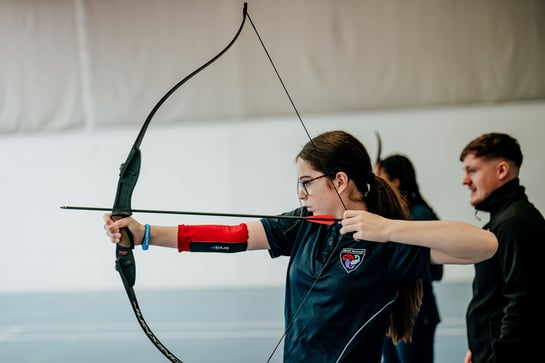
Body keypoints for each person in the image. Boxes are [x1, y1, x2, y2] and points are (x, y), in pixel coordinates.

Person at [104, 130, 497, 363]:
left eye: (307, 182)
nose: (301, 192)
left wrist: (389, 228)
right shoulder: (303, 224)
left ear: (339, 181)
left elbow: (483, 244)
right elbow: (235, 236)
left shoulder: (386, 242)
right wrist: (145, 234)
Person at [459, 132, 545, 363]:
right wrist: (479, 349)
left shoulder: (513, 223)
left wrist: (496, 356)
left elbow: (522, 302)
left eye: (472, 170)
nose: (464, 180)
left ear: (502, 170)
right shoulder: (505, 220)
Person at [375, 154, 442, 363]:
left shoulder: (420, 215)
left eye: (382, 179)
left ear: (396, 181)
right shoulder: (391, 217)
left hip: (416, 313)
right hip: (391, 312)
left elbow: (434, 271)